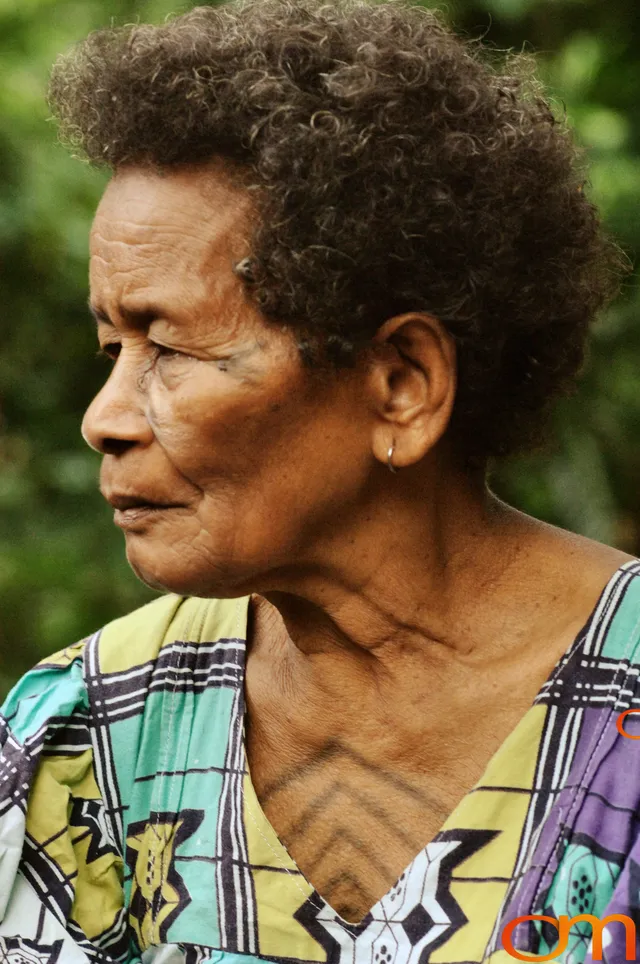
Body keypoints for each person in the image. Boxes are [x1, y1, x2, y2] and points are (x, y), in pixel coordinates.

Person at [1, 0, 638, 961]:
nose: (106, 418)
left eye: (168, 345)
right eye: (110, 345)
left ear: (399, 386)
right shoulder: (84, 738)